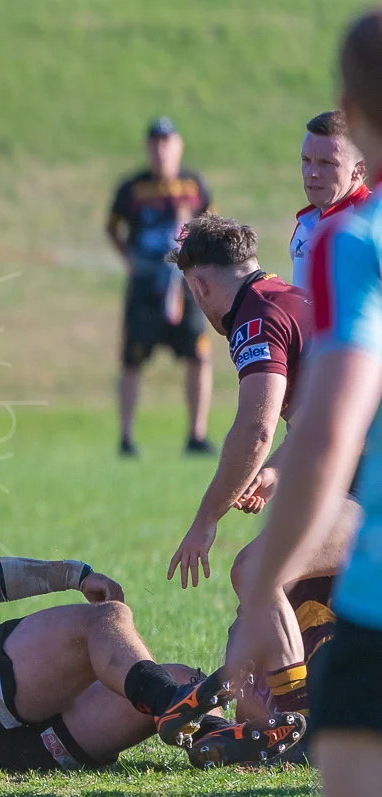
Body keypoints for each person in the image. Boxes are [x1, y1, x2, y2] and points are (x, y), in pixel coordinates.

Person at [230, 12, 382, 797]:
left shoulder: (355, 238)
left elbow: (336, 401)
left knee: (270, 575)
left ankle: (291, 720)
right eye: (308, 160)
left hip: (351, 441)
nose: (318, 172)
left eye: (331, 159)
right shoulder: (306, 228)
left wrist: (287, 463)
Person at [167, 214, 355, 725]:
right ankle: (289, 717)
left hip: (369, 489)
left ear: (200, 284)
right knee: (258, 622)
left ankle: (294, 727)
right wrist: (272, 473)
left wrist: (206, 521)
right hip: (356, 481)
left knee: (255, 574)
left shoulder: (255, 319)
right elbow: (324, 411)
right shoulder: (289, 299)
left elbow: (255, 429)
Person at [0, 557, 305, 773]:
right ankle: (171, 704)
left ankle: (222, 738)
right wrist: (72, 575)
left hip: (1, 754)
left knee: (179, 680)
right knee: (104, 621)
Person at [107, 117, 214, 457]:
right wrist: (130, 260)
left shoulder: (194, 186)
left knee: (199, 354)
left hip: (185, 285)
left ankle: (196, 435)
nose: (161, 150)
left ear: (179, 146)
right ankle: (126, 438)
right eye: (154, 143)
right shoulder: (132, 189)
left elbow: (210, 226)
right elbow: (112, 227)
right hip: (146, 286)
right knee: (132, 359)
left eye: (167, 143)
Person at [292, 110, 370, 291]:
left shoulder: (371, 226)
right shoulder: (305, 224)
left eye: (326, 163)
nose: (312, 173)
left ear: (359, 169)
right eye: (306, 160)